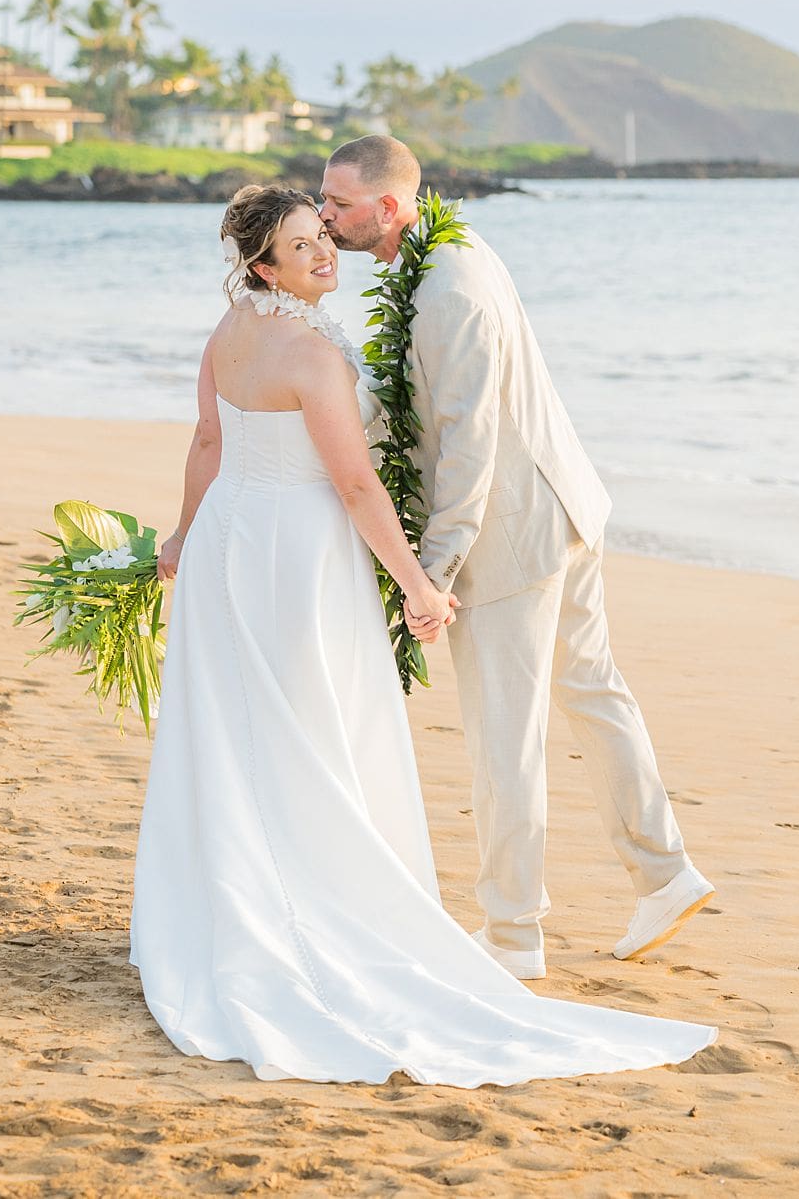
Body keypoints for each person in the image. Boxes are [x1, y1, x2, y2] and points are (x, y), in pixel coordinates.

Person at [128, 183, 716, 1085]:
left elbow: (210, 443)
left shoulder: (227, 333)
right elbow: (355, 485)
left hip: (228, 544)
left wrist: (183, 532)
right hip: (298, 556)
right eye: (301, 244)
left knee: (244, 728)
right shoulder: (311, 352)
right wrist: (419, 585)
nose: (324, 251)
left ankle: (243, 901)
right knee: (312, 727)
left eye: (323, 233)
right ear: (264, 268)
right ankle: (322, 904)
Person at [320, 137, 715, 979]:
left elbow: (468, 441)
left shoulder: (446, 290)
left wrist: (433, 573)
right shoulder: (448, 253)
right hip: (561, 506)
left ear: (388, 208)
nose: (325, 216)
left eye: (339, 203)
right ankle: (666, 872)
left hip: (512, 532)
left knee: (505, 735)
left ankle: (512, 932)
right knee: (593, 693)